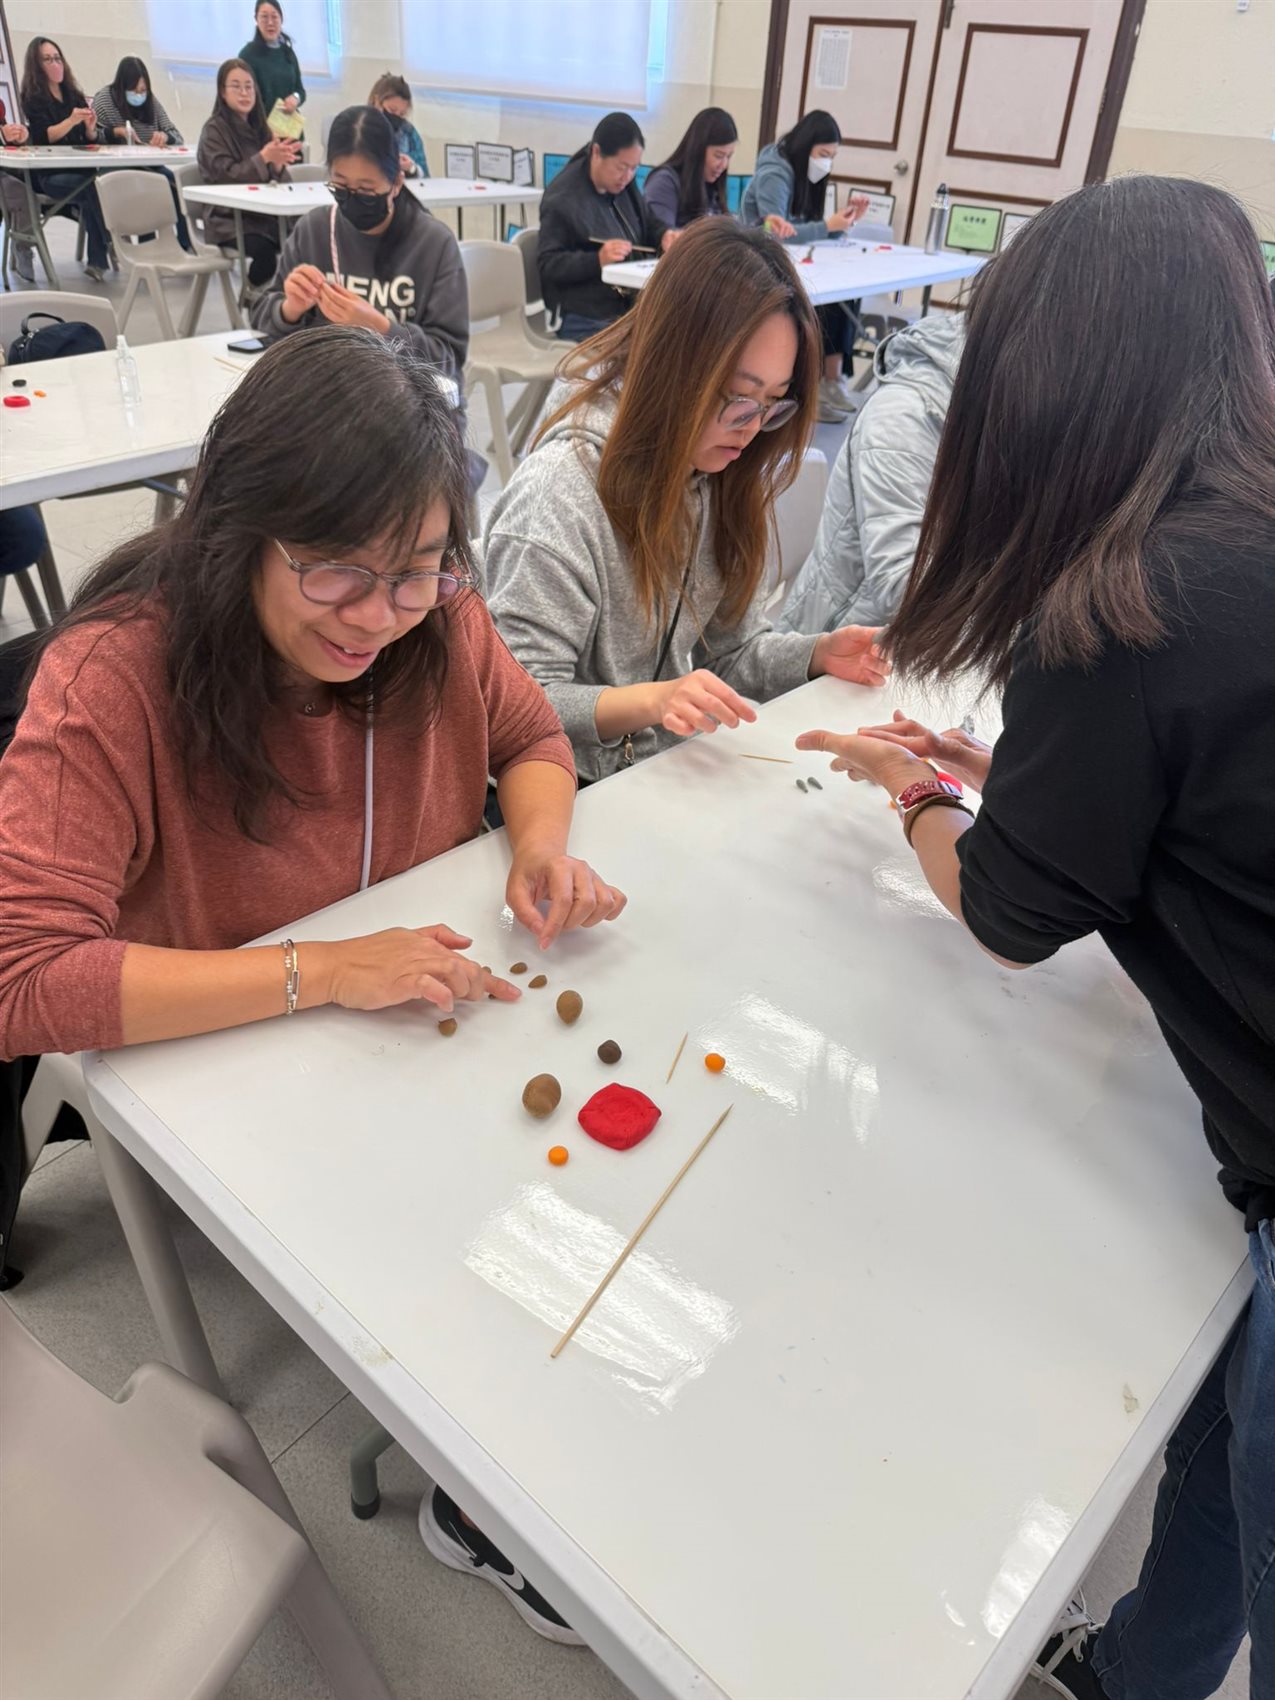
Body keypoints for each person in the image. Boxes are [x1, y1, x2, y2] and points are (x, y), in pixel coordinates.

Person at [794, 176, 1275, 1700]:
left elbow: (1008, 915)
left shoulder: (1122, 600)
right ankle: (1133, 1676)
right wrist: (1012, 773)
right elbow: (1196, 790)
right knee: (1223, 1459)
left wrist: (910, 797)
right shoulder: (1239, 538)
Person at [0, 325, 624, 1070]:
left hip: (420, 1026)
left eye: (414, 570)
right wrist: (325, 970)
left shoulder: (442, 615)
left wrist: (541, 847)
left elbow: (531, 739)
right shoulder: (114, 677)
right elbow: (23, 978)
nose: (377, 617)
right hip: (218, 1055)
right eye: (337, 570)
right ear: (239, 534)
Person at [484, 218, 889, 786]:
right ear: (673, 366)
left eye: (773, 402)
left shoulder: (716, 472)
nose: (753, 428)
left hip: (656, 774)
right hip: (564, 790)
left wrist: (816, 655)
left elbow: (725, 653)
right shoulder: (560, 495)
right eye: (739, 398)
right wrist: (651, 701)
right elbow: (514, 707)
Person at [779, 312, 966, 633]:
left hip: (905, 642)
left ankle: (833, 380)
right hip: (849, 641)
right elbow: (900, 589)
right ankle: (833, 379)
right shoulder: (904, 417)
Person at [253, 106, 465, 377]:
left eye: (366, 189)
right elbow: (262, 318)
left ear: (396, 183)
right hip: (326, 387)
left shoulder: (433, 244)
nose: (352, 198)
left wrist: (381, 328)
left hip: (404, 394)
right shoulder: (314, 230)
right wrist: (289, 309)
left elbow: (448, 359)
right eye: (341, 186)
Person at [741, 111, 871, 422]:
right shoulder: (775, 173)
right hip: (760, 265)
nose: (826, 163)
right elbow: (776, 233)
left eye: (832, 157)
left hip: (794, 263)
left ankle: (832, 380)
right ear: (805, 146)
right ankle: (816, 387)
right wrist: (827, 226)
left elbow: (805, 228)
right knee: (824, 299)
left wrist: (842, 224)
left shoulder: (804, 176)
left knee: (845, 290)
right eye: (823, 154)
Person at [536, 111, 678, 342]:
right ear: (596, 152)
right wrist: (598, 260)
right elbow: (548, 265)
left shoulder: (623, 185)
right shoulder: (563, 199)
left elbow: (647, 221)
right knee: (645, 350)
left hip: (625, 306)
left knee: (674, 335)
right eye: (621, 167)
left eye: (634, 168)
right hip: (583, 314)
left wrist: (664, 235)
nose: (627, 176)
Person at [197, 59, 300, 292]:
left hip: (262, 215)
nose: (244, 93)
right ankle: (252, 297)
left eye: (249, 87)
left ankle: (274, 300)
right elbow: (224, 176)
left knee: (301, 239)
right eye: (236, 86)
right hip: (228, 220)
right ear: (223, 92)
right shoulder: (214, 130)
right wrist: (263, 158)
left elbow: (276, 181)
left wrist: (278, 166)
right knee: (265, 253)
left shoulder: (261, 128)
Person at [17, 37, 111, 281]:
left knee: (101, 183)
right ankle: (106, 248)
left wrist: (89, 127)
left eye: (57, 58)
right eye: (48, 59)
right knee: (92, 187)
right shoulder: (32, 98)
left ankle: (100, 257)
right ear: (37, 65)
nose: (55, 63)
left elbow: (88, 138)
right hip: (50, 175)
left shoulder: (73, 94)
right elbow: (42, 136)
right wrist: (70, 120)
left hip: (80, 167)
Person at [92, 57, 192, 251]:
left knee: (175, 185)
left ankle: (185, 244)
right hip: (115, 169)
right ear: (122, 87)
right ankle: (143, 247)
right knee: (145, 190)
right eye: (134, 90)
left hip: (149, 166)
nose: (139, 95)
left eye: (143, 90)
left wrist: (165, 137)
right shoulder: (104, 100)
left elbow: (177, 135)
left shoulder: (151, 103)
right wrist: (116, 132)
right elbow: (93, 137)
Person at [642, 106, 756, 231]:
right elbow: (664, 236)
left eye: (729, 156)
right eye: (718, 156)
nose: (724, 165)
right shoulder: (665, 181)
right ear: (698, 150)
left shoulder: (713, 187)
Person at [238, 0, 305, 128]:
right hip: (260, 129)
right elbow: (243, 97)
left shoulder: (288, 52)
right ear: (256, 19)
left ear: (281, 19)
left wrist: (295, 98)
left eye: (274, 17)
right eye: (264, 17)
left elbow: (300, 90)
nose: (270, 22)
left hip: (289, 128)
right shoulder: (247, 55)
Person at [367, 73, 428, 179]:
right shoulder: (359, 129)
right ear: (376, 102)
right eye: (392, 110)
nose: (396, 117)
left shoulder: (408, 133)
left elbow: (425, 176)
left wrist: (412, 168)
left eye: (402, 114)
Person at [0, 98, 35, 283]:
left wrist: (19, 137)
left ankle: (22, 243)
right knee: (21, 192)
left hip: (8, 168)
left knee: (34, 183)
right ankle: (23, 246)